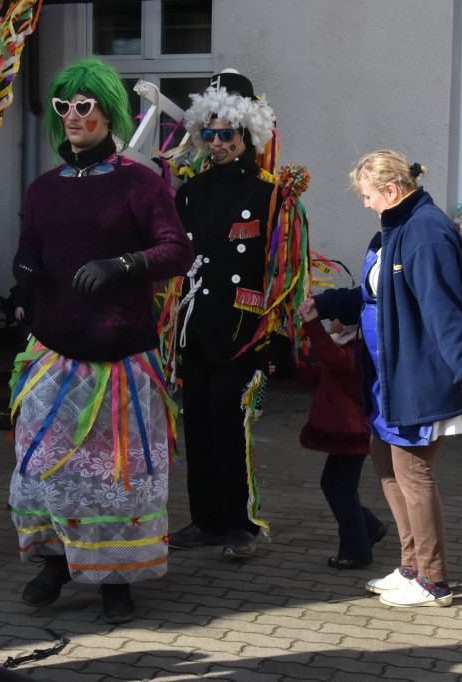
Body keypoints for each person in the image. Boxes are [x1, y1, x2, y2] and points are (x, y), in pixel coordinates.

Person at [8, 58, 193, 624]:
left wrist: (124, 264)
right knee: (48, 468)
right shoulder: (43, 189)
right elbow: (31, 247)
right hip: (54, 353)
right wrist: (25, 270)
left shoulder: (139, 183)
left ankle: (117, 581)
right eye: (63, 106)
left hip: (120, 359)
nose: (72, 116)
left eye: (84, 105)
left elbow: (177, 249)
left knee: (118, 475)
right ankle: (59, 564)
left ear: (109, 112)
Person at [307, 150, 462, 608]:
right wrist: (328, 304)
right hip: (386, 379)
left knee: (414, 475)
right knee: (387, 469)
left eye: (368, 196)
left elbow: (444, 311)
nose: (366, 204)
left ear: (391, 191)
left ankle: (435, 581)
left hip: (417, 378)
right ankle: (411, 567)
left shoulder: (425, 232)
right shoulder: (391, 229)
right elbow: (375, 295)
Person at [168, 69, 310, 560]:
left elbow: (285, 269)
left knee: (231, 424)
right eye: (208, 133)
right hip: (196, 330)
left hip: (244, 332)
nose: (217, 143)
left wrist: (278, 337)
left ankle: (242, 525)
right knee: (199, 424)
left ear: (248, 134)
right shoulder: (189, 191)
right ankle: (205, 521)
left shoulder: (271, 195)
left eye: (226, 133)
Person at [289, 304, 386, 569]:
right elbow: (325, 371)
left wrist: (311, 324)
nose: (332, 323)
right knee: (333, 484)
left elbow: (332, 360)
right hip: (345, 431)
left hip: (352, 432)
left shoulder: (361, 351)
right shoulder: (348, 347)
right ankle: (370, 527)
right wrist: (290, 372)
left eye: (337, 320)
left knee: (342, 489)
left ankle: (356, 551)